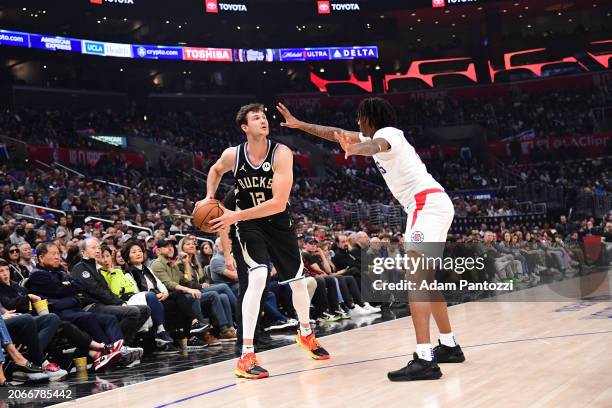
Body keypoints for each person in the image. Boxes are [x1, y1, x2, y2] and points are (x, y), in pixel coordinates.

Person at [278, 98, 464, 381]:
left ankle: (425, 358)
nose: (356, 123)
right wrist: (300, 125)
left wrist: (354, 149)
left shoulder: (387, 134)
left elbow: (374, 147)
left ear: (369, 117)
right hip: (432, 204)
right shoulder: (376, 135)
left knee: (416, 281)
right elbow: (333, 132)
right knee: (426, 281)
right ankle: (449, 345)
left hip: (425, 204)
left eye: (359, 117)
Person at [204, 103, 330, 379]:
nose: (263, 120)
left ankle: (305, 333)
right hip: (248, 226)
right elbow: (214, 171)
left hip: (277, 221)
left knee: (298, 281)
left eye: (264, 116)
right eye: (256, 118)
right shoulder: (233, 155)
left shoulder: (281, 153)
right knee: (258, 276)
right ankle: (246, 355)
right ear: (244, 127)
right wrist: (209, 197)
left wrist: (235, 214)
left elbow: (278, 202)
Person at [25, 242, 125, 371]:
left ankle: (120, 352)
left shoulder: (60, 271)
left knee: (109, 319)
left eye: (58, 253)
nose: (57, 257)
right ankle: (106, 352)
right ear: (41, 258)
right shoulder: (38, 275)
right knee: (87, 317)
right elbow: (60, 291)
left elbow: (78, 285)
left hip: (72, 310)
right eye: (53, 254)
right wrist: (70, 293)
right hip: (56, 313)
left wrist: (68, 291)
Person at [70, 238, 149, 363]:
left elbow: (107, 292)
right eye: (93, 248)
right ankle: (120, 349)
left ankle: (120, 347)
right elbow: (96, 291)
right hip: (91, 306)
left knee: (144, 310)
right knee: (133, 311)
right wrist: (119, 303)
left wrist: (119, 301)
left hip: (103, 304)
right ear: (83, 252)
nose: (97, 250)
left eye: (98, 247)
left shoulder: (95, 267)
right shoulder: (80, 268)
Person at [0, 259, 68, 381]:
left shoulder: (15, 285)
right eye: (1, 271)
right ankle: (40, 362)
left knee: (52, 318)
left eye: (6, 270)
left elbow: (21, 305)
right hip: (5, 323)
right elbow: (10, 304)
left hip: (18, 318)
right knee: (27, 318)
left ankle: (29, 362)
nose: (5, 273)